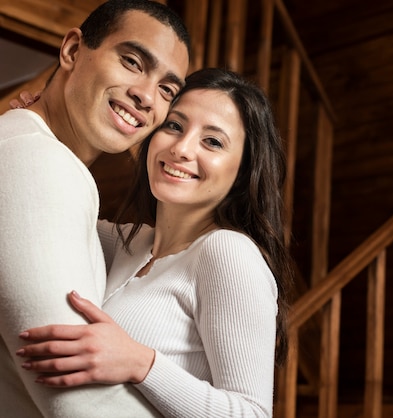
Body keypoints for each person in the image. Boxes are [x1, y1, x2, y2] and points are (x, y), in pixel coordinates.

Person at [15, 68, 294, 418]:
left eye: (213, 141)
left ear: (243, 171)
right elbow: (42, 202)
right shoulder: (130, 244)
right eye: (174, 125)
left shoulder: (227, 252)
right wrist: (39, 126)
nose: (181, 148)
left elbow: (251, 413)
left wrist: (142, 363)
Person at [0, 0, 190, 416]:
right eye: (132, 62)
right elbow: (78, 397)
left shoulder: (38, 156)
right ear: (72, 51)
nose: (145, 96)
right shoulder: (37, 161)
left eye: (167, 89)